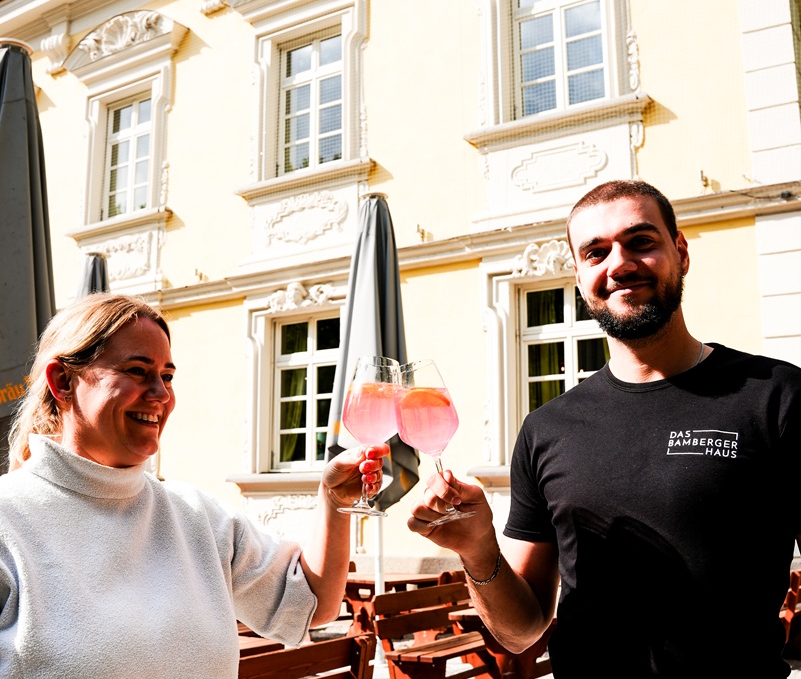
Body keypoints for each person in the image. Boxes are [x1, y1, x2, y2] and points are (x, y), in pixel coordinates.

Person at [408, 179, 801, 678]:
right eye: (595, 252)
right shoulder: (546, 428)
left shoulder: (776, 395)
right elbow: (522, 631)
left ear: (681, 253)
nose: (619, 264)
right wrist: (478, 549)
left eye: (641, 241)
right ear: (579, 277)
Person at [0, 293, 388, 679]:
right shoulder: (9, 520)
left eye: (167, 376)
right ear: (62, 381)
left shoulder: (196, 516)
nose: (161, 394)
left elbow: (311, 603)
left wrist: (334, 500)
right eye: (137, 370)